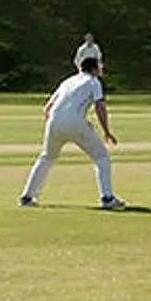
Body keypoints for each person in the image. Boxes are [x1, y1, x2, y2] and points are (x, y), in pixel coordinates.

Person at [19, 57, 124, 210]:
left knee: (47, 157)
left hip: (54, 122)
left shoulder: (67, 81)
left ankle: (27, 197)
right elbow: (100, 106)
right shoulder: (94, 82)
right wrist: (107, 131)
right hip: (75, 122)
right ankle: (107, 198)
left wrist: (56, 126)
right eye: (100, 66)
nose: (101, 68)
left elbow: (47, 108)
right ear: (94, 69)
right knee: (102, 157)